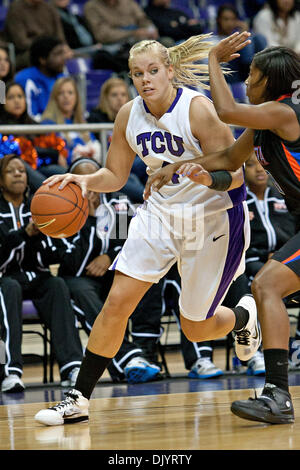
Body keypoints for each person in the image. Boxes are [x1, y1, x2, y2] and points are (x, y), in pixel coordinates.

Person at [34, 34, 260, 426]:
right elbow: (115, 176)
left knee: (195, 328)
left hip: (213, 216)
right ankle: (78, 399)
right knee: (117, 302)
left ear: (170, 71)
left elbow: (237, 176)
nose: (145, 79)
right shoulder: (127, 115)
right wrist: (84, 181)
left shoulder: (197, 110)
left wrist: (204, 176)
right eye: (137, 73)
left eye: (153, 70)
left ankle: (243, 317)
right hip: (160, 214)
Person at [144, 31, 300, 425]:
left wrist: (213, 59)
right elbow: (230, 156)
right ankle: (277, 394)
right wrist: (177, 167)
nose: (246, 80)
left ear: (270, 83)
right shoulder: (265, 123)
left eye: (251, 75)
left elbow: (226, 111)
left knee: (266, 285)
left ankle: (278, 396)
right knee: (268, 287)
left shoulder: (285, 113)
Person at [39, 157, 161, 384]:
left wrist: (109, 257)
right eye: (82, 178)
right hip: (78, 278)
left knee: (146, 278)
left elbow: (129, 243)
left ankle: (141, 351)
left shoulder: (120, 204)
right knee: (81, 292)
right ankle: (129, 359)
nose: (90, 184)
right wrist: (86, 216)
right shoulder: (59, 208)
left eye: (93, 177)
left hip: (113, 272)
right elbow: (72, 260)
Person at [0, 153, 83, 392]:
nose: (18, 173)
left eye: (22, 170)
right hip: (6, 279)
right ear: (1, 179)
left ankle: (72, 367)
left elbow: (54, 256)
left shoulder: (40, 205)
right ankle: (10, 372)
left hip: (36, 276)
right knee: (9, 287)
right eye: (11, 170)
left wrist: (46, 236)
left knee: (57, 285)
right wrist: (24, 235)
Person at [0, 81, 68, 189]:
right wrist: (54, 153)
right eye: (11, 97)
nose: (17, 101)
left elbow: (39, 147)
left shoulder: (33, 125)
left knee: (63, 172)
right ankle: (47, 194)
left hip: (38, 166)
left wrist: (56, 154)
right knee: (20, 164)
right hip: (16, 169)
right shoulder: (2, 127)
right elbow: (20, 151)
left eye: (20, 96)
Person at [87, 76, 146, 202]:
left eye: (123, 94)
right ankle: (151, 198)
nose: (120, 99)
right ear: (105, 98)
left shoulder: (135, 117)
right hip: (111, 165)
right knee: (147, 162)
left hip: (133, 164)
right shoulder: (95, 119)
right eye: (114, 95)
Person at [83, 0, 159, 72]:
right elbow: (103, 35)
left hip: (138, 40)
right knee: (103, 58)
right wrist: (132, 33)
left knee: (164, 45)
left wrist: (151, 29)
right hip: (113, 46)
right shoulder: (92, 7)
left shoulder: (128, 2)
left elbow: (143, 19)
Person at [41, 77, 101, 165]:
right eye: (61, 93)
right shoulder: (48, 124)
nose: (66, 96)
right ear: (55, 98)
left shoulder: (82, 122)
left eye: (70, 93)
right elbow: (53, 154)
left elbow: (94, 146)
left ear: (76, 97)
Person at [3, 0, 72, 70]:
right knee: (55, 57)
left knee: (72, 54)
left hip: (52, 48)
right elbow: (21, 42)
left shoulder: (48, 7)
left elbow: (60, 34)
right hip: (27, 52)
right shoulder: (16, 9)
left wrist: (64, 47)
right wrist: (47, 46)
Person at [14, 36, 67, 121]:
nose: (63, 58)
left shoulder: (62, 77)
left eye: (62, 53)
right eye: (57, 54)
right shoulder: (25, 79)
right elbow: (31, 117)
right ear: (42, 60)